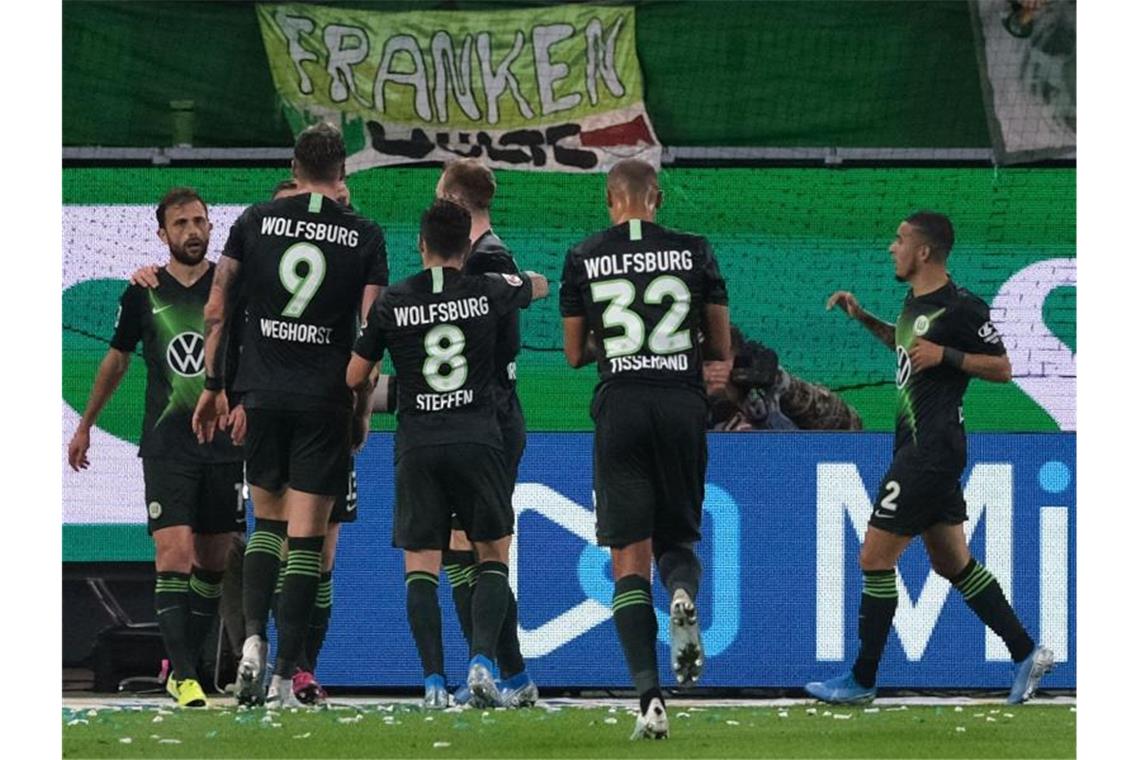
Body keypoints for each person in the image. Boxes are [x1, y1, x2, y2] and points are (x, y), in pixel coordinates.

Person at [129, 176, 364, 705]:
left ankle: (293, 664)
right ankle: (249, 659)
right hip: (281, 415)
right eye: (181, 222)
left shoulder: (342, 250)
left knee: (311, 550)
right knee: (274, 538)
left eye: (198, 220)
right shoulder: (249, 273)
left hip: (305, 413)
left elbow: (366, 331)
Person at [807, 211, 1053, 705]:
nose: (890, 248)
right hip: (924, 449)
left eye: (898, 240)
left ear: (923, 252)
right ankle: (1027, 651)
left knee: (874, 558)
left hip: (929, 451)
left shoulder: (962, 307)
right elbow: (908, 350)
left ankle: (861, 679)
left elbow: (1004, 368)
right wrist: (864, 318)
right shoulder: (913, 301)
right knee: (951, 561)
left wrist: (949, 358)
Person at [192, 123, 388, 707]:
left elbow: (218, 306)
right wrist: (359, 409)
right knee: (307, 542)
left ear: (294, 166)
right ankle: (284, 674)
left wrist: (215, 386)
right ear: (342, 173)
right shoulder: (364, 234)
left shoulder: (253, 220)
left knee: (266, 527)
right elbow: (372, 332)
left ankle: (251, 639)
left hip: (262, 395)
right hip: (322, 399)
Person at [347, 200, 548, 710]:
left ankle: (434, 683)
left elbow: (354, 377)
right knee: (492, 555)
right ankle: (482, 662)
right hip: (478, 441)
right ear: (466, 249)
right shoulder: (485, 291)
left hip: (417, 445)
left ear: (420, 245)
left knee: (422, 567)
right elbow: (536, 286)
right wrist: (529, 283)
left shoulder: (391, 302)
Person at [559, 159, 731, 739]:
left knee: (626, 563)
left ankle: (649, 701)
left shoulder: (584, 254)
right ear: (656, 197)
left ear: (612, 199)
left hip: (621, 405)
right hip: (680, 404)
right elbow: (721, 345)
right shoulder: (695, 250)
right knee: (676, 540)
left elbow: (575, 354)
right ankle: (681, 592)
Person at [67, 188, 244, 707]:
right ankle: (186, 675)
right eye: (181, 223)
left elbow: (254, 355)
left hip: (223, 448)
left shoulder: (232, 290)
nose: (192, 230)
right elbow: (116, 361)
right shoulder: (141, 292)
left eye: (199, 221)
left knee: (214, 560)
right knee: (175, 553)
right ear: (162, 234)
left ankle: (186, 666)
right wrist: (86, 425)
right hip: (168, 446)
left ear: (211, 228)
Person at [435, 158, 537, 707]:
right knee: (470, 549)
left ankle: (488, 671)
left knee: (477, 547)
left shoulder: (488, 260)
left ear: (452, 201)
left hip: (487, 419)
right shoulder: (490, 258)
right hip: (485, 416)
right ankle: (514, 677)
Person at [703, 324, 862, 431]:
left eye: (711, 363)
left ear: (738, 360)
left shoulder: (772, 402)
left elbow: (850, 427)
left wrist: (782, 383)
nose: (707, 374)